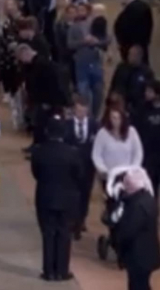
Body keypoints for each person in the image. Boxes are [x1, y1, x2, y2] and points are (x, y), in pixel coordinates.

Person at [31, 116, 81, 282]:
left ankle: (48, 271)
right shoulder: (73, 153)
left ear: (47, 131)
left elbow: (36, 173)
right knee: (65, 234)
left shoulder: (38, 151)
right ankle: (62, 271)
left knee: (48, 234)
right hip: (67, 199)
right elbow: (79, 176)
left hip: (45, 197)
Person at [114, 167, 160, 290]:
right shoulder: (148, 200)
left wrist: (118, 237)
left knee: (137, 285)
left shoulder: (137, 206)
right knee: (142, 284)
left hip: (138, 256)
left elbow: (128, 230)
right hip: (147, 254)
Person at [135, 80, 160, 231]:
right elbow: (136, 128)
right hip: (149, 155)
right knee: (150, 189)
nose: (147, 94)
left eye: (150, 91)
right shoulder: (143, 109)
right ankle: (151, 217)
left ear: (158, 94)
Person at [64, 97, 99, 240]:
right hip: (71, 167)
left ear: (87, 111)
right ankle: (72, 220)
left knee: (85, 194)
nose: (80, 113)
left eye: (83, 111)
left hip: (88, 166)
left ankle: (81, 219)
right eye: (77, 110)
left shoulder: (95, 126)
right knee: (72, 193)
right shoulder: (67, 124)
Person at [92, 107, 143, 184]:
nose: (116, 121)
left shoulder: (132, 132)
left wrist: (133, 170)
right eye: (113, 118)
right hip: (109, 176)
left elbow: (138, 153)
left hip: (128, 176)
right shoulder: (102, 133)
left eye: (118, 118)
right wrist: (103, 170)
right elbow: (96, 155)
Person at [109, 45, 154, 117]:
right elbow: (114, 84)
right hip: (120, 103)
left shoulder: (146, 72)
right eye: (129, 54)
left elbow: (149, 90)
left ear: (139, 56)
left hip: (137, 106)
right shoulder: (121, 67)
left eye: (133, 55)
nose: (129, 56)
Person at [113, 0, 153, 64]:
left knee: (132, 64)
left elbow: (125, 25)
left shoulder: (131, 7)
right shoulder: (145, 6)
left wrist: (121, 40)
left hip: (130, 43)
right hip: (141, 42)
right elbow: (149, 25)